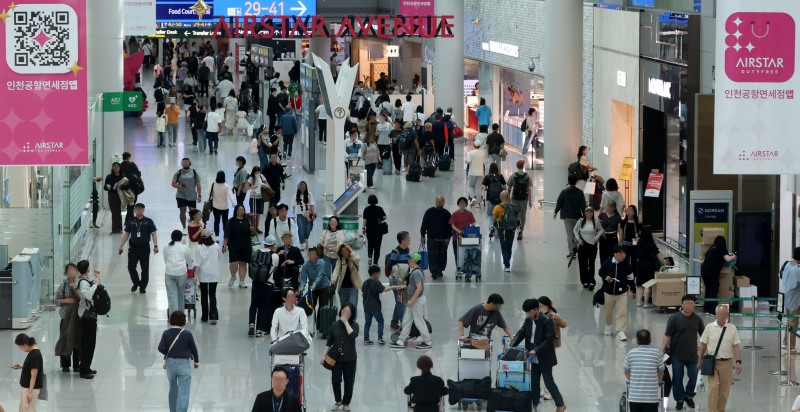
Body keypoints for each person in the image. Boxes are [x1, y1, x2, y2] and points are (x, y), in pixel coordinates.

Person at [510, 299, 567, 412]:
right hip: (532, 356)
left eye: (529, 312)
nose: (528, 314)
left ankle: (560, 404)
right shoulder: (528, 320)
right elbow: (521, 333)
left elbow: (549, 339)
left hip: (544, 356)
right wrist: (511, 346)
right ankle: (534, 406)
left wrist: (536, 350)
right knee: (534, 382)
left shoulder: (546, 321)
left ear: (536, 309)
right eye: (526, 313)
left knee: (548, 382)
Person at [659, 295, 705, 410]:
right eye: (686, 302)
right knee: (677, 378)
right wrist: (661, 350)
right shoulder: (674, 318)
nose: (689, 304)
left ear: (695, 304)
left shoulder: (698, 319)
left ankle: (689, 396)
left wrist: (704, 351)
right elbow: (667, 335)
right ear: (682, 303)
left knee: (694, 377)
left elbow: (704, 336)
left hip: (693, 355)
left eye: (691, 302)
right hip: (676, 355)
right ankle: (679, 399)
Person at [698, 304, 742, 412]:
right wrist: (699, 360)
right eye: (720, 314)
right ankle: (712, 410)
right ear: (716, 314)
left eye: (725, 314)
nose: (722, 316)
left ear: (727, 315)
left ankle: (720, 409)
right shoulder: (709, 327)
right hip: (712, 362)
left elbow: (736, 345)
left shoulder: (732, 328)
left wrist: (738, 361)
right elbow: (703, 345)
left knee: (724, 390)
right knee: (713, 387)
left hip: (727, 363)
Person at [158, 311, 200, 412]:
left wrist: (168, 353)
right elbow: (194, 348)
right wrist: (196, 361)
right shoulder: (187, 334)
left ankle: (173, 410)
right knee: (184, 391)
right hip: (183, 364)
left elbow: (160, 347)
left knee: (172, 388)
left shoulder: (166, 333)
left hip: (170, 364)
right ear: (183, 322)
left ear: (171, 320)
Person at [390, 253, 432, 350]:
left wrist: (412, 301)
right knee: (407, 321)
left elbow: (419, 288)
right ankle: (401, 341)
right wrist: (405, 286)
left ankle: (427, 341)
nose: (408, 261)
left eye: (410, 260)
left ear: (414, 261)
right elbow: (415, 286)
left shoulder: (416, 273)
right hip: (414, 301)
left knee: (419, 321)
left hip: (416, 301)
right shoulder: (417, 271)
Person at [323, 303, 360, 411]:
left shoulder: (354, 325)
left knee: (349, 381)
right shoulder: (335, 325)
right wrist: (324, 355)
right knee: (335, 380)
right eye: (344, 311)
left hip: (350, 358)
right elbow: (329, 342)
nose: (345, 313)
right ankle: (338, 400)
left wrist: (346, 322)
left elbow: (353, 335)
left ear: (352, 314)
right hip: (337, 358)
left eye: (348, 312)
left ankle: (346, 403)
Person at [119, 203, 158, 293]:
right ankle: (136, 282)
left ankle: (143, 287)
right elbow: (126, 234)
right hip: (133, 248)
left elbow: (153, 234)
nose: (138, 210)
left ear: (143, 210)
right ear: (134, 210)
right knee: (131, 267)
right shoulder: (131, 221)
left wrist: (155, 246)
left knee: (145, 269)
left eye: (140, 209)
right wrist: (121, 246)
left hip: (144, 248)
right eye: (137, 209)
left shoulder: (148, 221)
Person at [623, 329, 665, 412]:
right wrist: (658, 381)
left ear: (637, 340)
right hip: (651, 398)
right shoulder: (656, 353)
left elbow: (626, 370)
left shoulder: (631, 353)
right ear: (650, 340)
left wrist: (631, 380)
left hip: (634, 397)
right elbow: (661, 371)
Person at [600, 246, 635, 341]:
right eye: (621, 253)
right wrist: (606, 277)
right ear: (615, 254)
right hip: (609, 292)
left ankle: (621, 331)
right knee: (608, 311)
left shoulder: (626, 265)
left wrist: (633, 290)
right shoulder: (607, 263)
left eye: (624, 253)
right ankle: (608, 326)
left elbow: (630, 278)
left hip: (622, 292)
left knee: (622, 311)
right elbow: (601, 272)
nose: (623, 255)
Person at [249, 236, 280, 337]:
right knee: (265, 307)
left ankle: (251, 324)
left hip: (256, 283)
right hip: (268, 284)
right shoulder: (275, 256)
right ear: (273, 245)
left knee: (254, 304)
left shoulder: (256, 252)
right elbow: (274, 270)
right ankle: (260, 330)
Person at [362, 265, 399, 345]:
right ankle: (380, 338)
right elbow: (384, 289)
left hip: (366, 306)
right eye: (379, 273)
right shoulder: (376, 282)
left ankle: (366, 338)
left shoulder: (365, 282)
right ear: (374, 273)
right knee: (380, 321)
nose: (379, 274)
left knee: (367, 323)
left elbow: (363, 293)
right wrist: (393, 287)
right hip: (375, 306)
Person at [700, 236, 737, 314]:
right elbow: (727, 259)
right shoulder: (721, 247)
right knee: (713, 290)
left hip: (704, 271)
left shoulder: (711, 248)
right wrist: (734, 256)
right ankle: (713, 310)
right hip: (712, 272)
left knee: (708, 290)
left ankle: (707, 308)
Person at [55, 263, 81, 373]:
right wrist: (66, 301)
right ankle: (65, 364)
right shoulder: (63, 285)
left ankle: (76, 364)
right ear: (66, 272)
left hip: (78, 317)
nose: (72, 272)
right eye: (69, 270)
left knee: (77, 340)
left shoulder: (81, 283)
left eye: (74, 269)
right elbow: (56, 301)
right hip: (66, 317)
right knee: (65, 339)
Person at [553, 174, 586, 258]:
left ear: (568, 181)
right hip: (577, 216)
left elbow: (559, 202)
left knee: (569, 234)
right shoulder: (580, 192)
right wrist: (585, 216)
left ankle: (572, 251)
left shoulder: (564, 191)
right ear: (576, 181)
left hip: (567, 216)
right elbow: (583, 205)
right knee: (576, 233)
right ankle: (576, 249)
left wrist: (555, 212)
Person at [635, 228, 669, 308]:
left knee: (640, 285)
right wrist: (664, 262)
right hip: (648, 266)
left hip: (639, 265)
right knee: (648, 285)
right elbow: (658, 256)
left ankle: (639, 302)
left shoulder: (639, 242)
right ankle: (646, 303)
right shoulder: (651, 243)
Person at [300, 245, 330, 335]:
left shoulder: (322, 263)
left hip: (323, 286)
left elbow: (320, 275)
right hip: (312, 289)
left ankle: (321, 328)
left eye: (313, 254)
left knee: (322, 307)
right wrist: (302, 287)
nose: (311, 255)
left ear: (317, 255)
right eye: (310, 254)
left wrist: (314, 284)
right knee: (310, 307)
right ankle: (309, 328)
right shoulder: (306, 265)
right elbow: (303, 278)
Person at [420, 196, 452, 279]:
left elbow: (449, 227)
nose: (439, 203)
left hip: (443, 240)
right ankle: (434, 271)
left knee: (442, 256)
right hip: (431, 238)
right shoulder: (429, 212)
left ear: (443, 202)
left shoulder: (447, 214)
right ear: (435, 202)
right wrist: (423, 235)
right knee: (432, 255)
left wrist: (448, 238)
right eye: (437, 201)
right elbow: (424, 224)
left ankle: (440, 270)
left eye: (441, 201)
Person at [573, 207, 604, 289]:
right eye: (587, 212)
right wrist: (578, 239)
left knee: (591, 263)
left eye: (591, 212)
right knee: (583, 263)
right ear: (585, 213)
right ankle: (584, 281)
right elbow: (575, 230)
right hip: (583, 245)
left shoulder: (595, 222)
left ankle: (591, 281)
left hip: (592, 245)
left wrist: (596, 238)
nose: (589, 213)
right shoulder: (581, 221)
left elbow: (601, 230)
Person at [163, 230, 193, 316]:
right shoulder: (185, 247)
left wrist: (170, 266)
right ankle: (180, 315)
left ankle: (173, 316)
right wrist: (190, 269)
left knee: (172, 295)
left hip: (169, 273)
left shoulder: (166, 247)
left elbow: (165, 259)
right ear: (181, 238)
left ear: (171, 237)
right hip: (181, 274)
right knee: (180, 294)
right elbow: (189, 261)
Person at [223, 204, 253, 289]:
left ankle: (242, 281)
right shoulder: (231, 221)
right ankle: (233, 276)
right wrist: (224, 245)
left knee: (243, 263)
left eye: (243, 210)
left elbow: (253, 234)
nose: (241, 211)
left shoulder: (247, 221)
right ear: (236, 211)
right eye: (240, 210)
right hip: (234, 245)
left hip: (246, 245)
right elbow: (226, 234)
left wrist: (252, 230)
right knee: (234, 263)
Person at [195, 229, 221, 324]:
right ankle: (213, 315)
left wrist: (195, 276)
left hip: (203, 274)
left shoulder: (199, 248)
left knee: (204, 295)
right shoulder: (216, 246)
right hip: (214, 273)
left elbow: (197, 263)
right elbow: (219, 257)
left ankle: (204, 316)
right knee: (212, 294)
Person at [12, 334, 43, 411]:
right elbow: (32, 367)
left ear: (25, 345)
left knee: (29, 409)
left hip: (30, 388)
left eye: (20, 347)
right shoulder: (33, 352)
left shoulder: (34, 355)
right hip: (27, 387)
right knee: (23, 409)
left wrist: (30, 393)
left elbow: (34, 376)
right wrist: (21, 366)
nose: (20, 349)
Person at [387, 232, 412, 330]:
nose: (410, 239)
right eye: (408, 238)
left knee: (399, 301)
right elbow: (390, 266)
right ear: (403, 241)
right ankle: (403, 324)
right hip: (396, 281)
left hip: (404, 280)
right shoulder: (395, 252)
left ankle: (394, 322)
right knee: (401, 303)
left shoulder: (407, 250)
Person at [493, 191, 521, 272]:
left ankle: (507, 265)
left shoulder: (497, 207)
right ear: (509, 198)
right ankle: (507, 261)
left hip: (502, 231)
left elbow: (493, 219)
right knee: (509, 247)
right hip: (511, 230)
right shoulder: (514, 206)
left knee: (504, 247)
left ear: (500, 197)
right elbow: (517, 215)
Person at [172, 158, 202, 230]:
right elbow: (173, 183)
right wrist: (179, 186)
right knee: (182, 211)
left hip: (192, 196)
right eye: (183, 162)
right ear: (181, 164)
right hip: (181, 195)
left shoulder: (194, 172)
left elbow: (198, 184)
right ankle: (184, 227)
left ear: (189, 163)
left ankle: (191, 226)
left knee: (193, 212)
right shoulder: (178, 173)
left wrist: (199, 195)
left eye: (186, 162)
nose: (185, 164)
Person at [449, 197, 476, 275]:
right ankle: (458, 268)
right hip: (456, 237)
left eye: (464, 203)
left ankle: (467, 268)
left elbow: (473, 222)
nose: (462, 205)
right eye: (461, 203)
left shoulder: (469, 214)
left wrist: (474, 229)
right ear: (458, 204)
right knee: (457, 253)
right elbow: (452, 225)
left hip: (466, 237)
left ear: (466, 204)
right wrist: (458, 231)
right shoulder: (455, 214)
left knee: (466, 253)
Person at [507, 160, 533, 240]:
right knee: (523, 215)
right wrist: (530, 200)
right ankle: (521, 230)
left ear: (516, 166)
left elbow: (509, 188)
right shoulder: (527, 176)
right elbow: (529, 189)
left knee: (515, 214)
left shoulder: (513, 176)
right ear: (523, 166)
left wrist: (508, 199)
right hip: (524, 199)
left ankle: (517, 229)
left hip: (515, 198)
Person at [781, 247, 800, 354]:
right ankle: (791, 347)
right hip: (795, 299)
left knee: (789, 321)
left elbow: (781, 275)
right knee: (793, 322)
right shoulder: (797, 270)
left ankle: (785, 342)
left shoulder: (786, 264)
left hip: (785, 296)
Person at [332, 243, 361, 309]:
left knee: (352, 307)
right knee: (343, 307)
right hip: (342, 288)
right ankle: (344, 319)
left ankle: (352, 319)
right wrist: (333, 279)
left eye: (346, 250)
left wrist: (350, 248)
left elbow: (357, 258)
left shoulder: (354, 259)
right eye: (342, 251)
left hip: (353, 287)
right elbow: (336, 271)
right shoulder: (340, 260)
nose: (344, 252)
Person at [482, 162, 506, 239]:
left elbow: (485, 188)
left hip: (490, 199)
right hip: (499, 200)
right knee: (499, 214)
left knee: (489, 215)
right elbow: (505, 187)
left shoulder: (487, 177)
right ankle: (498, 228)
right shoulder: (500, 176)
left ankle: (491, 228)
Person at [209, 170, 236, 237]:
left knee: (216, 221)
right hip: (225, 207)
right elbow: (230, 196)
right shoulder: (226, 186)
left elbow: (210, 194)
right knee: (225, 222)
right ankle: (226, 236)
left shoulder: (213, 185)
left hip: (215, 206)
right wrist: (233, 203)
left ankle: (217, 236)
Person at [362, 194, 387, 266]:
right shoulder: (379, 208)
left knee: (370, 244)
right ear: (376, 200)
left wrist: (363, 228)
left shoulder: (366, 209)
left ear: (369, 201)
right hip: (378, 230)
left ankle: (370, 256)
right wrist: (380, 219)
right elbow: (385, 217)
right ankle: (375, 262)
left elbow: (365, 220)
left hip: (369, 230)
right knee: (377, 246)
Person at [619, 205, 642, 277]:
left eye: (631, 210)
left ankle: (634, 276)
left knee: (634, 261)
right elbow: (621, 235)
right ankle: (626, 275)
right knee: (625, 260)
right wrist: (619, 244)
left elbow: (640, 234)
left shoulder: (638, 223)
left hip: (635, 245)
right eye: (628, 210)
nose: (629, 211)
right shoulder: (623, 222)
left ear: (634, 212)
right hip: (625, 244)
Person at [120, 152, 142, 226]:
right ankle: (130, 221)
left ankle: (128, 221)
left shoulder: (120, 166)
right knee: (131, 205)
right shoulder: (132, 165)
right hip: (133, 188)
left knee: (127, 204)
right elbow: (138, 174)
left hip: (123, 188)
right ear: (129, 157)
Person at [292, 181, 315, 250]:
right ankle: (302, 243)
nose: (302, 189)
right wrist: (293, 214)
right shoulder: (296, 195)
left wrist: (313, 213)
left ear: (305, 187)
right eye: (300, 187)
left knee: (308, 228)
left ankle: (306, 239)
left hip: (309, 214)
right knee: (301, 228)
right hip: (299, 214)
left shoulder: (309, 194)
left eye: (303, 187)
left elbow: (312, 204)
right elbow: (293, 205)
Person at [104, 162, 126, 234]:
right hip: (112, 195)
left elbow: (127, 186)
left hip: (120, 195)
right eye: (114, 167)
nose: (116, 168)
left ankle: (120, 228)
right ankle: (114, 229)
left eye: (117, 167)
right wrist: (108, 187)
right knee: (113, 212)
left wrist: (121, 187)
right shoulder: (109, 176)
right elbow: (105, 187)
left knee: (119, 211)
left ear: (120, 168)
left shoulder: (123, 176)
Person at [246, 166, 269, 232]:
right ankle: (252, 228)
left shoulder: (261, 176)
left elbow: (267, 183)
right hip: (253, 197)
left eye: (258, 172)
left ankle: (256, 227)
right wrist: (252, 187)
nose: (257, 174)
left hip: (261, 197)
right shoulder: (251, 178)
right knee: (253, 213)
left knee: (258, 213)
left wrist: (265, 186)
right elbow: (246, 186)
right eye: (255, 172)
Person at [599, 200, 622, 265]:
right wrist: (601, 230)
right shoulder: (602, 215)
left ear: (614, 208)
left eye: (611, 207)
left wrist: (620, 240)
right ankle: (604, 272)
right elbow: (597, 224)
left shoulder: (617, 217)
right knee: (603, 256)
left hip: (613, 237)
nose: (609, 208)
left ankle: (612, 272)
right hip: (603, 237)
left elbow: (619, 229)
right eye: (608, 206)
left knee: (613, 256)